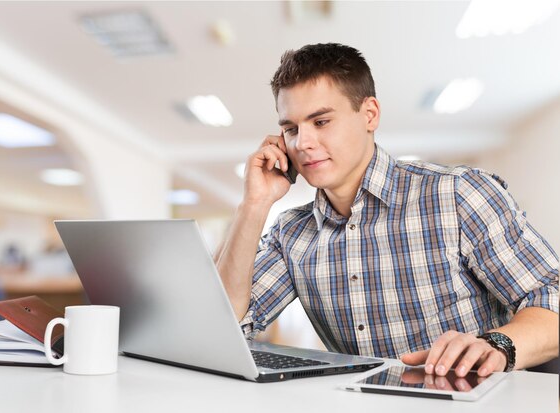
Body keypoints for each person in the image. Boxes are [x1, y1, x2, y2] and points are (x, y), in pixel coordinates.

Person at [214, 43, 558, 378]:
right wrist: (253, 205)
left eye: (320, 122)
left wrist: (497, 345)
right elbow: (222, 323)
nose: (301, 142)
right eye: (290, 128)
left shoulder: (457, 194)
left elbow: (550, 296)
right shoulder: (291, 234)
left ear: (369, 115)